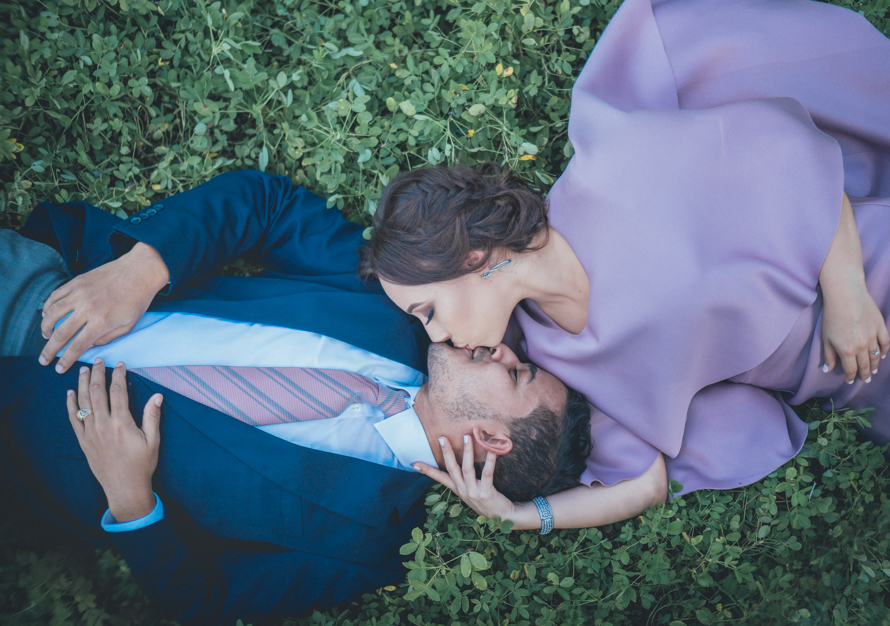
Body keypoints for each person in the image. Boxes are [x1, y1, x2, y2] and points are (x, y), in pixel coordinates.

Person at [362, 0, 890, 530]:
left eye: (427, 311)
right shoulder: (555, 359)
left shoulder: (612, 176)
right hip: (871, 390)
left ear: (472, 258)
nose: (435, 337)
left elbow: (791, 151)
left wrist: (848, 291)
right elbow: (645, 484)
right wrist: (519, 515)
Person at [0, 170, 592, 626]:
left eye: (518, 375)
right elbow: (271, 205)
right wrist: (143, 270)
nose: (504, 350)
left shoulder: (370, 543)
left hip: (17, 453)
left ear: (490, 441)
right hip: (39, 295)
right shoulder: (392, 308)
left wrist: (131, 499)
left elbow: (207, 602)